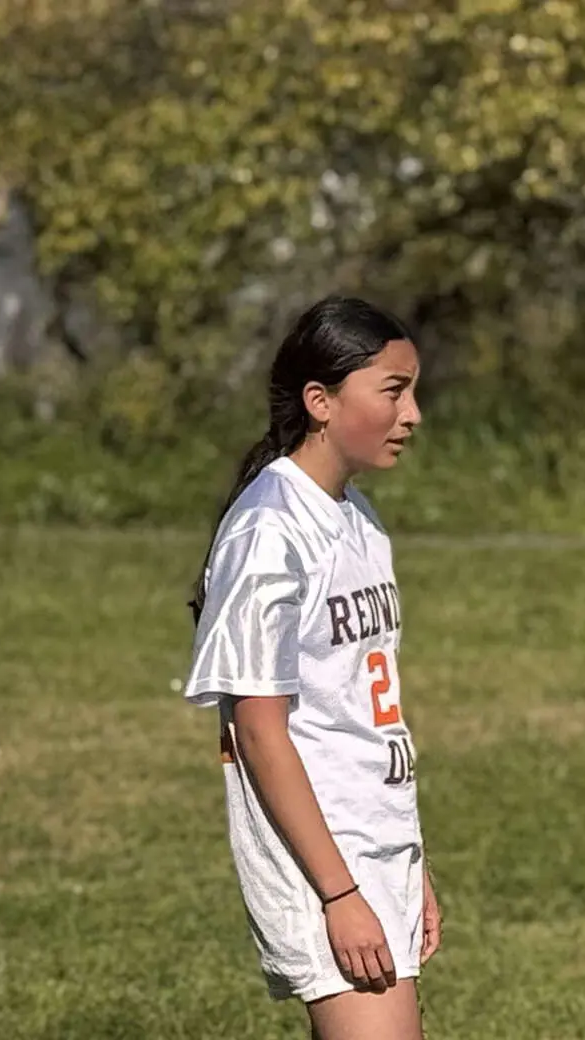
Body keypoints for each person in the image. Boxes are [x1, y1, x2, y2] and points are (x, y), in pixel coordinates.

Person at [183, 296, 437, 1039]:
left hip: (373, 841)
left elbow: (363, 706)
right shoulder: (271, 531)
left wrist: (412, 861)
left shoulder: (358, 516)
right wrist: (339, 892)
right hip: (323, 857)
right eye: (393, 390)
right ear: (320, 402)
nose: (413, 412)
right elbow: (260, 732)